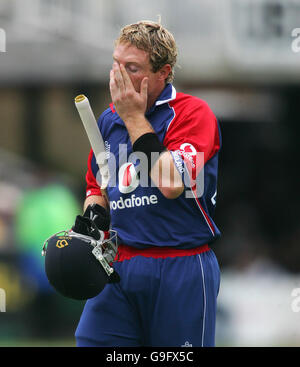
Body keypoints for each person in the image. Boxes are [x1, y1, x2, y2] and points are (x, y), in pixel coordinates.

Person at [75, 20, 222, 347]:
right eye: (115, 64)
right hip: (121, 264)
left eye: (132, 67)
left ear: (162, 72)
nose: (118, 75)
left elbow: (171, 181)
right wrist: (92, 220)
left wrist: (133, 118)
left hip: (180, 264)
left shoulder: (193, 114)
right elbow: (98, 187)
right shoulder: (108, 120)